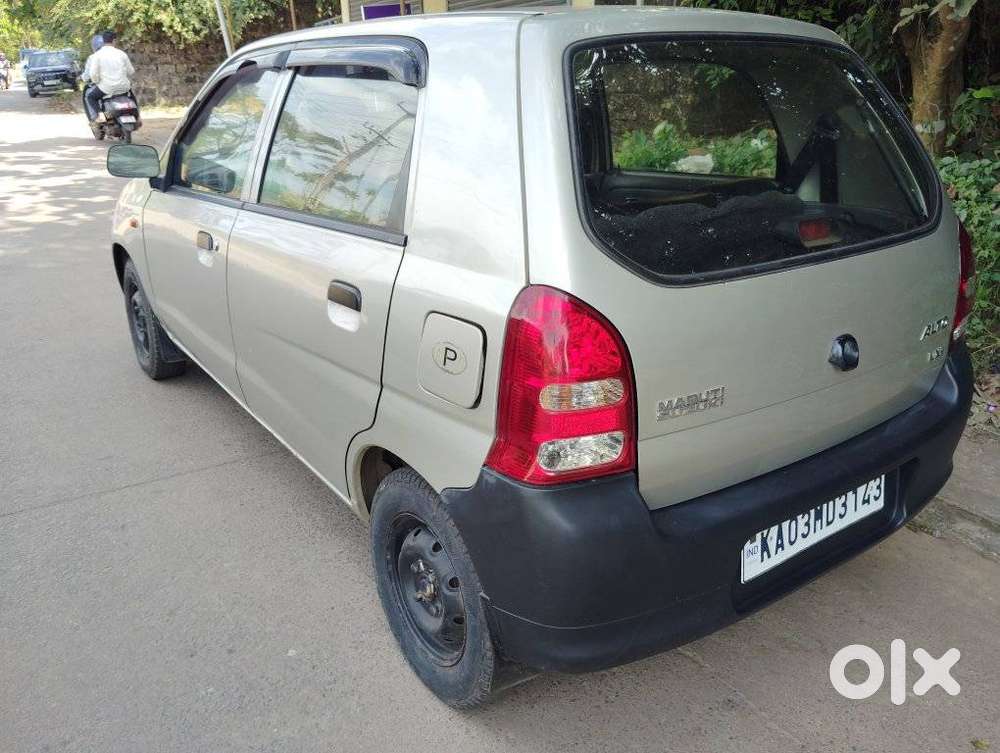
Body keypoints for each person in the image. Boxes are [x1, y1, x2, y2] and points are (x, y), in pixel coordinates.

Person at [83, 31, 135, 123]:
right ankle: (137, 117)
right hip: (124, 86)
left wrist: (96, 81)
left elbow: (93, 74)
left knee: (91, 97)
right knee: (132, 96)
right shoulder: (122, 53)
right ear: (114, 41)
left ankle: (101, 115)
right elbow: (131, 71)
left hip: (106, 88)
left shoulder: (97, 56)